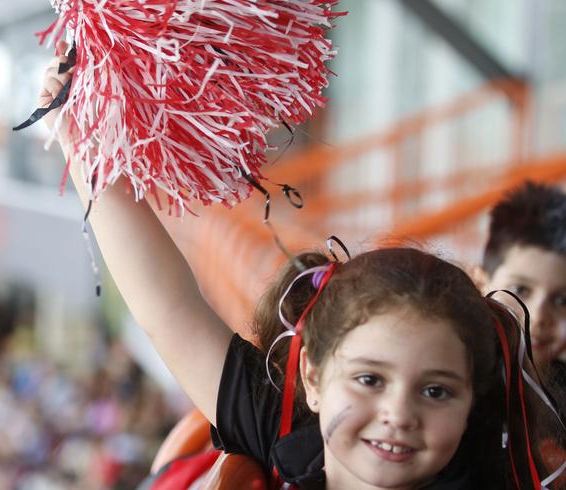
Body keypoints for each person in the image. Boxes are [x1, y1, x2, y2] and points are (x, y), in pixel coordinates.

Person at [38, 41, 564, 490]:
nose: (399, 414)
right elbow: (168, 308)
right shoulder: (289, 427)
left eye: (436, 391)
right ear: (312, 376)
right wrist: (80, 139)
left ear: (473, 401)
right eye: (369, 380)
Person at [478, 182, 566, 386]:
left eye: (562, 300)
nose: (538, 316)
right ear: (479, 282)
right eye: (520, 290)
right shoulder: (454, 378)